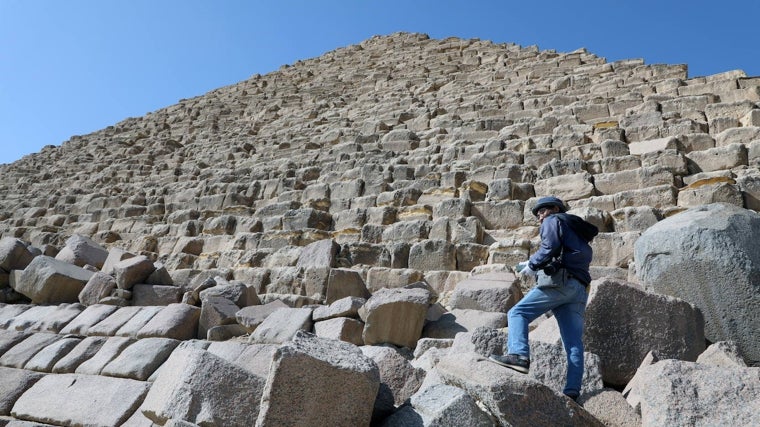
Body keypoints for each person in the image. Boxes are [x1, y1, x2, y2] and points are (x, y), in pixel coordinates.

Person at [488, 196, 598, 402]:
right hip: (579, 289)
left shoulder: (553, 220)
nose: (539, 216)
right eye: (537, 213)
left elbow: (550, 247)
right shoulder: (579, 233)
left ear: (555, 209)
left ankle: (518, 355)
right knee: (573, 343)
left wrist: (532, 264)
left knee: (517, 313)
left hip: (559, 283)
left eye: (542, 211)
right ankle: (573, 391)